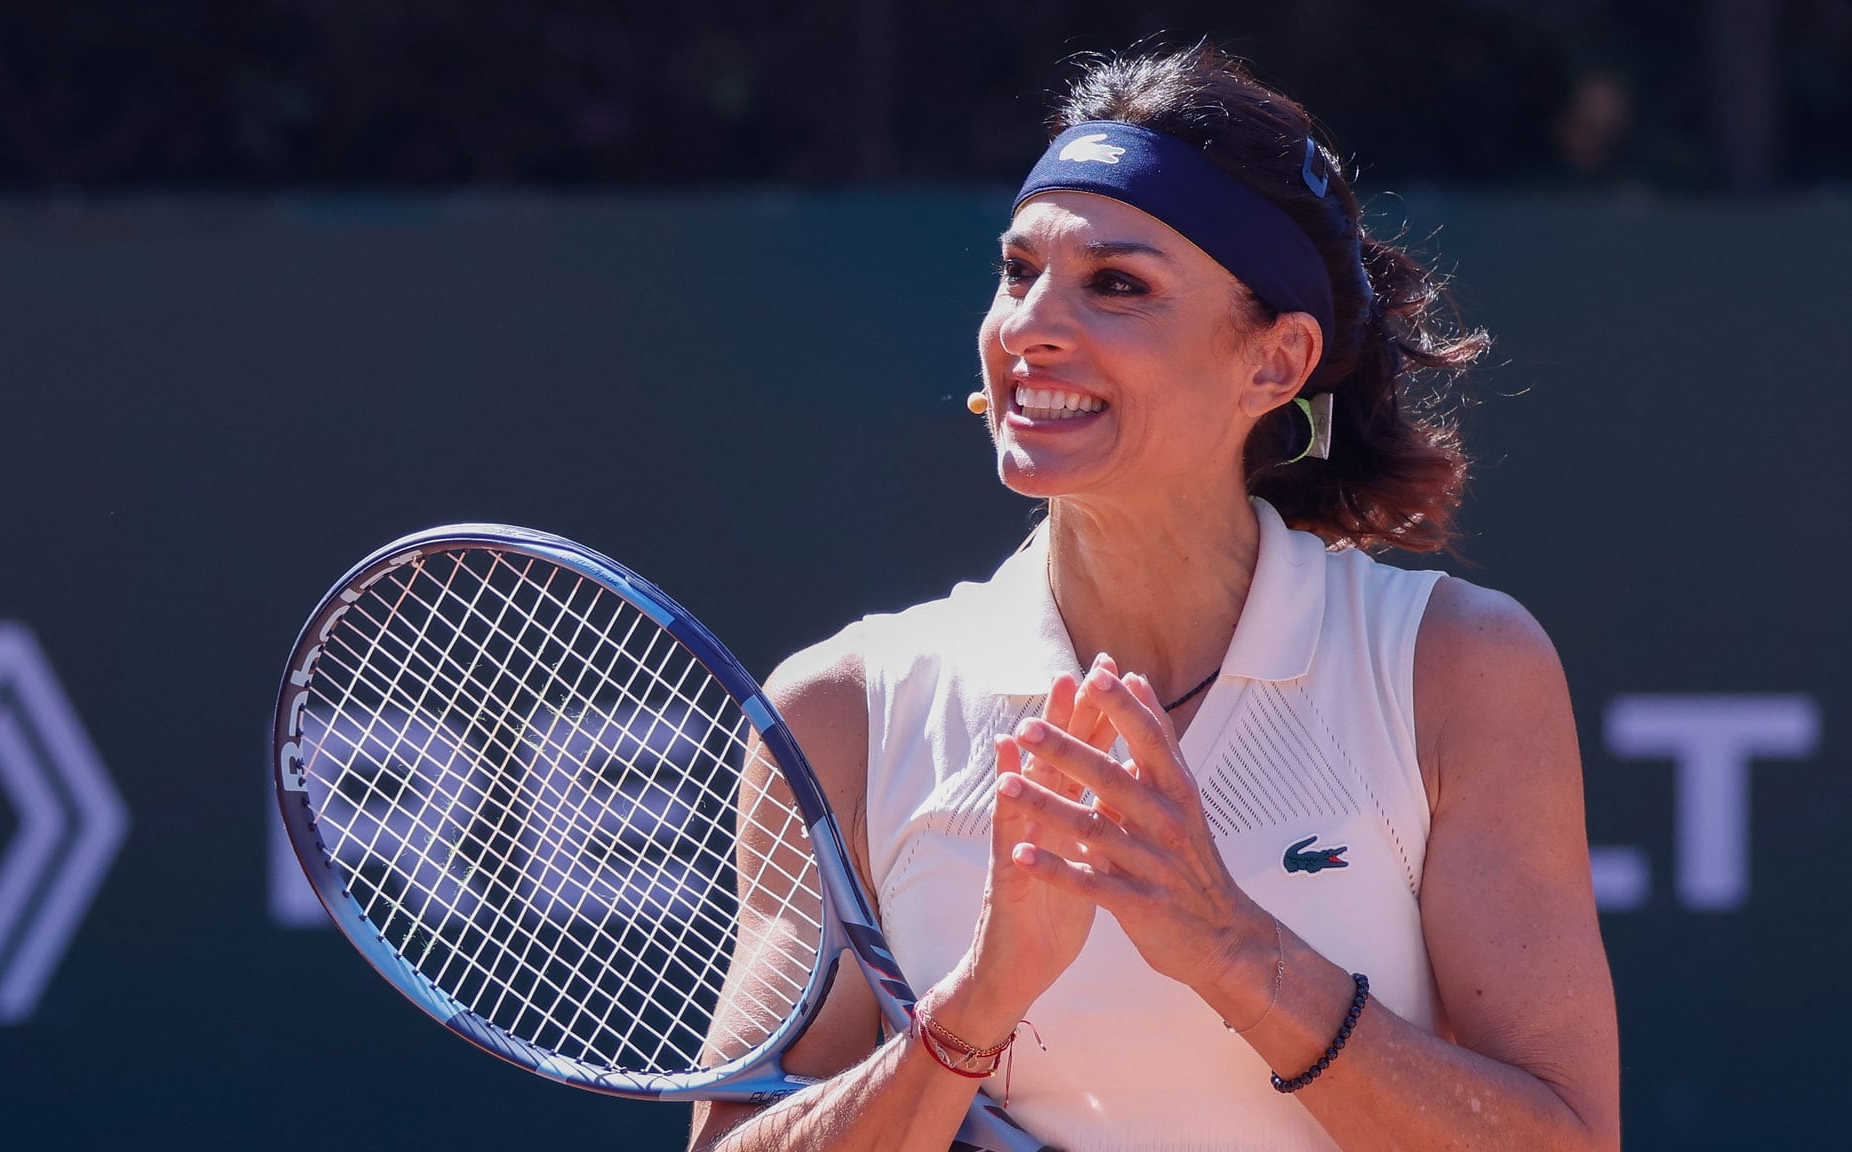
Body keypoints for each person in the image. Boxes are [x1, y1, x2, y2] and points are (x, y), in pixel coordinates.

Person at [690, 43, 1618, 1152]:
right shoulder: (843, 709)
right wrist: (975, 1006)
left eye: (1115, 285)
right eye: (1015, 270)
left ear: (1273, 365)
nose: (1029, 325)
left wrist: (1230, 947)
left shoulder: (1454, 669)